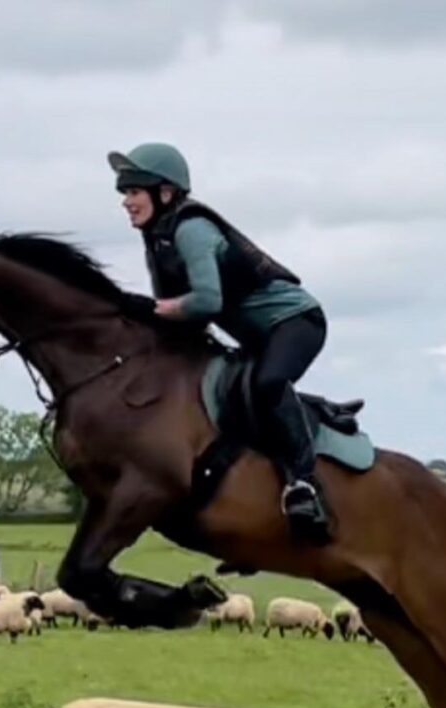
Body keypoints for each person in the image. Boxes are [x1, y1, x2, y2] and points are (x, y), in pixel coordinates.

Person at [108, 142, 332, 543]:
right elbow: (176, 318)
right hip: (257, 335)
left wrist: (149, 308)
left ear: (165, 193)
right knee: (228, 399)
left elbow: (207, 301)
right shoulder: (158, 238)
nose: (126, 201)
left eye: (134, 191)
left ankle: (303, 484)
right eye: (124, 193)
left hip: (298, 322)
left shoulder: (191, 230)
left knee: (266, 385)